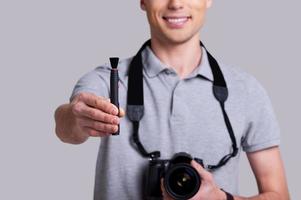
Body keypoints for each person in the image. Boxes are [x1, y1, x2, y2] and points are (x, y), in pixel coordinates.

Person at [54, 0, 290, 199]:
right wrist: (76, 119)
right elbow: (66, 125)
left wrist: (223, 198)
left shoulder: (246, 89)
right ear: (143, 1)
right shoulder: (110, 80)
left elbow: (279, 194)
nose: (176, 3)